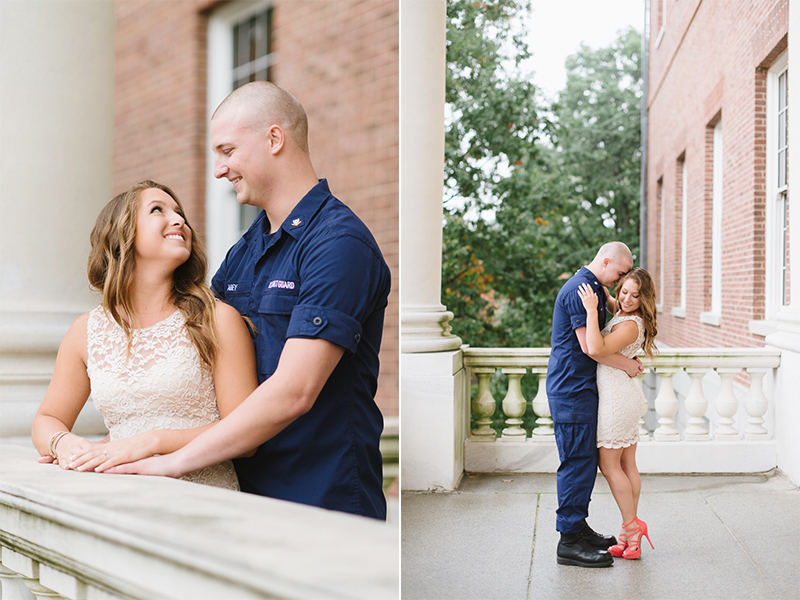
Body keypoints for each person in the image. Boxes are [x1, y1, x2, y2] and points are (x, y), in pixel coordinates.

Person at [107, 81, 391, 520]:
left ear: (274, 139)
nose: (219, 170)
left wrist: (171, 460)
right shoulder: (244, 253)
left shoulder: (339, 243)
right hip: (240, 496)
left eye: (227, 151)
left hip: (321, 501)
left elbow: (294, 390)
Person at [32, 181, 259, 489]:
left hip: (201, 498)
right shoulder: (85, 331)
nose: (179, 220)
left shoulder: (216, 319)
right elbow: (47, 419)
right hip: (117, 496)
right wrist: (64, 444)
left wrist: (152, 441)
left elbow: (246, 436)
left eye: (179, 213)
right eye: (157, 210)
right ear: (122, 235)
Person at [545, 241, 643, 567]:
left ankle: (579, 527)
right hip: (572, 390)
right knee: (576, 464)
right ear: (605, 261)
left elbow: (624, 311)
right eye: (620, 272)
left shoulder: (596, 289)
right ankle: (568, 542)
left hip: (584, 390)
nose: (620, 279)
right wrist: (627, 365)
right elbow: (590, 347)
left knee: (585, 463)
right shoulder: (580, 291)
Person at [578, 267, 657, 560]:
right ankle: (630, 533)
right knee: (627, 464)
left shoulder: (629, 325)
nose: (626, 298)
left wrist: (589, 309)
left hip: (617, 399)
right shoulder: (624, 312)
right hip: (625, 394)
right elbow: (612, 298)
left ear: (644, 298)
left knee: (610, 466)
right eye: (624, 291)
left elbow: (594, 347)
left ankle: (631, 529)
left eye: (635, 295)